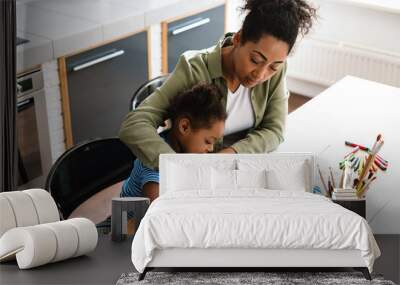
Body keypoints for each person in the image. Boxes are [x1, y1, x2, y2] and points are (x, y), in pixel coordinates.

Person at [119, 0, 317, 170]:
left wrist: (230, 154)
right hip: (196, 177)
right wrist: (176, 167)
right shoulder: (194, 68)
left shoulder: (277, 71)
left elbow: (275, 130)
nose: (261, 74)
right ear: (238, 39)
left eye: (273, 66)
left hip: (238, 170)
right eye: (255, 60)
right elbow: (134, 124)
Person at [120, 83, 227, 202]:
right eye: (208, 141)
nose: (211, 148)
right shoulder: (156, 170)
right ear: (184, 127)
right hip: (131, 218)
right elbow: (161, 213)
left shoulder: (176, 144)